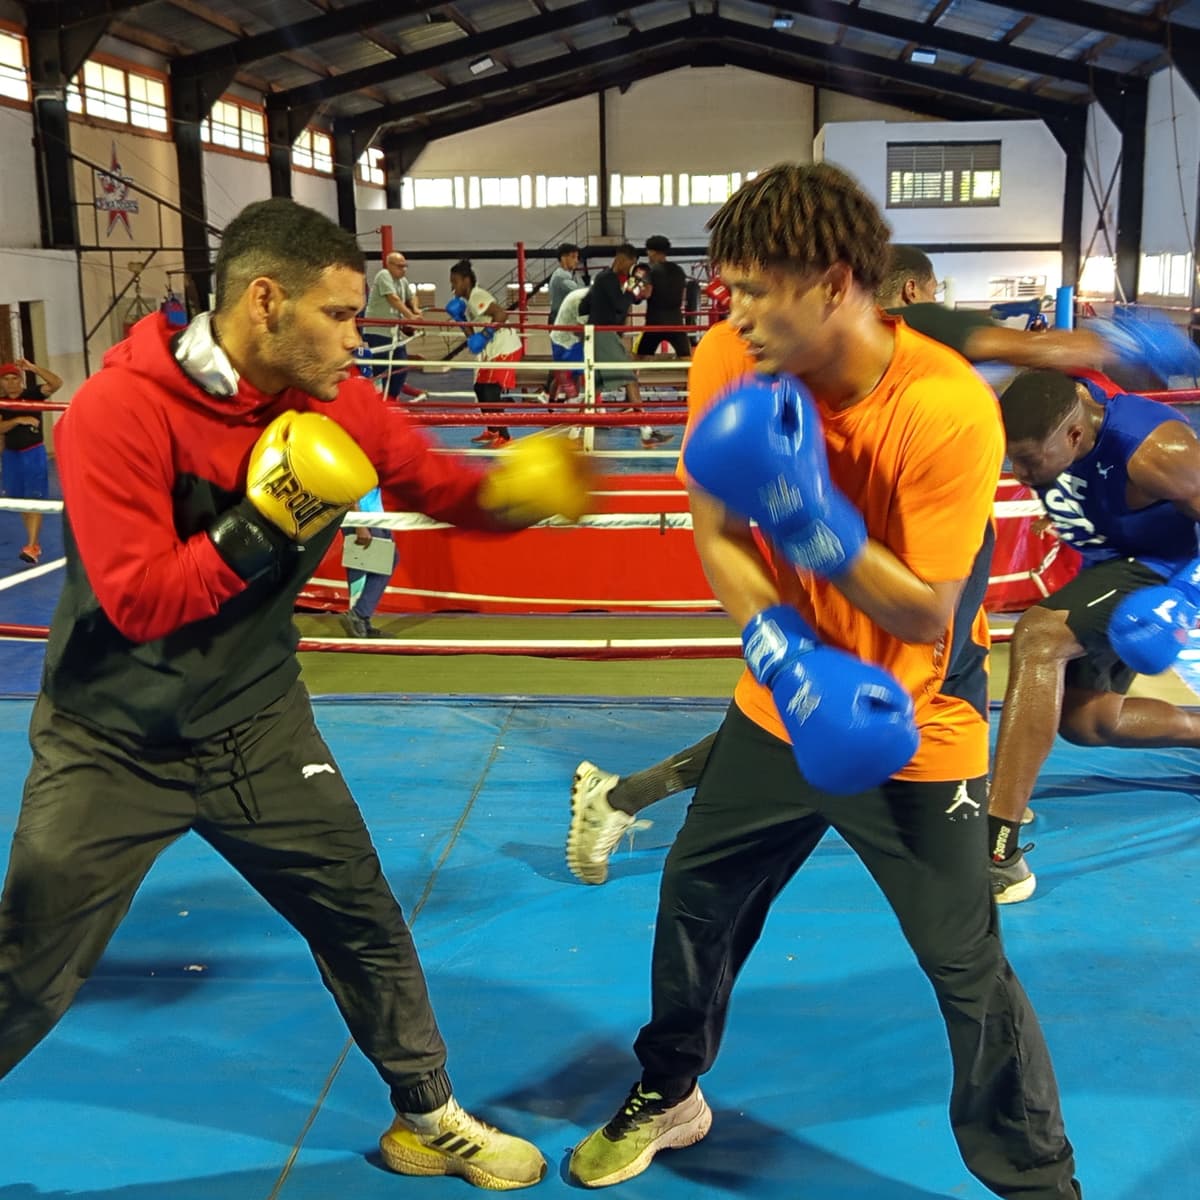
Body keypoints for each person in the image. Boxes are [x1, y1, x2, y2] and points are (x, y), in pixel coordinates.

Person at [0, 197, 593, 1192]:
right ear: (265, 302)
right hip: (113, 741)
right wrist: (267, 520)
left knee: (361, 915)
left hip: (256, 722)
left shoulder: (338, 401)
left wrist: (517, 493)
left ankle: (427, 1117)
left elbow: (434, 485)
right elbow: (141, 600)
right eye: (345, 315)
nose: (361, 337)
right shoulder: (119, 411)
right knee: (29, 960)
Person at [567, 164, 1081, 1199]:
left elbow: (927, 610)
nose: (736, 314)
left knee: (964, 964)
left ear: (835, 282)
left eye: (759, 291)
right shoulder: (729, 358)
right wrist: (781, 658)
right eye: (731, 289)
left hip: (915, 716)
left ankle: (1037, 1180)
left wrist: (809, 519)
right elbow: (716, 527)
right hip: (780, 703)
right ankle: (671, 1092)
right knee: (696, 897)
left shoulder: (944, 411)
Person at [566, 242, 1200, 883]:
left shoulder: (857, 361)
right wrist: (1114, 342)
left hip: (893, 553)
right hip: (897, 563)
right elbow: (1039, 354)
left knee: (1072, 717)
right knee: (870, 703)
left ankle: (984, 811)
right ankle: (993, 845)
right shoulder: (911, 331)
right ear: (911, 295)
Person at [987, 368, 1200, 903]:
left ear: (1075, 436)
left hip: (1158, 570)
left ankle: (997, 848)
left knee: (1038, 634)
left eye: (1031, 460)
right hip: (1110, 565)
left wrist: (1184, 599)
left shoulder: (1158, 451)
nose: (1021, 472)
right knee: (1088, 722)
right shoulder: (1062, 414)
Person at [581, 243, 671, 448]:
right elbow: (621, 304)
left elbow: (584, 305)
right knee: (630, 378)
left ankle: (575, 433)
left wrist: (633, 291)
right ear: (622, 259)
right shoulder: (609, 279)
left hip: (600, 334)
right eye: (630, 263)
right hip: (602, 334)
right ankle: (646, 431)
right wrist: (633, 288)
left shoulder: (602, 279)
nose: (630, 267)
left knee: (592, 386)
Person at [447, 259, 523, 446]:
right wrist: (460, 318)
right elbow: (474, 341)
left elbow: (501, 315)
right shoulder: (470, 301)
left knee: (490, 391)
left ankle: (504, 436)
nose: (453, 287)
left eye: (455, 282)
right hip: (494, 350)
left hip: (505, 348)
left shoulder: (477, 295)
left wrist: (487, 333)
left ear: (466, 281)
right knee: (480, 387)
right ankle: (492, 429)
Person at [0, 357, 64, 564]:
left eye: (14, 378)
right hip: (11, 456)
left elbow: (56, 383)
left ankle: (32, 545)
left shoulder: (33, 395)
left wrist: (33, 368)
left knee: (34, 500)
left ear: (21, 380)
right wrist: (18, 420)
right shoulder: (2, 403)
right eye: (6, 379)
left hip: (32, 454)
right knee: (20, 502)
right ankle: (34, 544)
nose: (11, 383)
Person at [361, 251, 423, 401]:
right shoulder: (384, 275)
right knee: (380, 370)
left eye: (405, 266)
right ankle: (373, 402)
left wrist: (415, 309)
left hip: (393, 333)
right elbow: (393, 299)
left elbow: (412, 296)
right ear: (389, 265)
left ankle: (390, 400)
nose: (404, 270)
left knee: (400, 367)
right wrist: (411, 317)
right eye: (400, 266)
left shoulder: (403, 281)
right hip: (378, 331)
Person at [341, 485, 397, 638]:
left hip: (375, 517)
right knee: (360, 568)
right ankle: (359, 616)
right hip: (364, 519)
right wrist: (359, 524)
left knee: (382, 563)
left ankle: (361, 619)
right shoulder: (357, 462)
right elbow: (350, 489)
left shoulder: (376, 461)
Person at [634, 235, 690, 360]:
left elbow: (646, 293)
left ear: (652, 251)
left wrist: (636, 294)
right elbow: (683, 295)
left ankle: (629, 380)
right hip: (676, 321)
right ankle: (697, 380)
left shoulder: (649, 270)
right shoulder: (679, 270)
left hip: (655, 321)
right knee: (686, 358)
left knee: (638, 358)